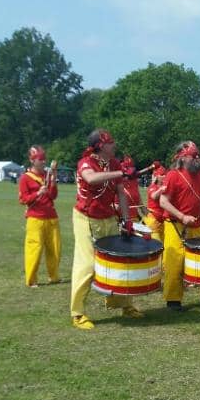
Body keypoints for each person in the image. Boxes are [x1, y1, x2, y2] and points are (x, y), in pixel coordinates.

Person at [70, 129, 142, 329]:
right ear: (100, 146)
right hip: (86, 218)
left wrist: (127, 219)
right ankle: (77, 313)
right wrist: (122, 172)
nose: (114, 145)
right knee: (86, 265)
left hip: (108, 217)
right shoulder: (86, 162)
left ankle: (123, 305)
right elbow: (91, 178)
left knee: (118, 261)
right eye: (111, 142)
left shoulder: (114, 163)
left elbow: (120, 192)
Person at [159, 141, 200, 310]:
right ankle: (173, 300)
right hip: (175, 225)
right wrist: (182, 216)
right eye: (195, 156)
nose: (199, 159)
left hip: (197, 225)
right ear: (183, 157)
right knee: (174, 264)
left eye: (199, 155)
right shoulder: (173, 175)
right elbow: (163, 201)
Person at [17, 145, 60, 287]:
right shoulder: (25, 178)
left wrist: (53, 180)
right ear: (32, 160)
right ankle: (31, 280)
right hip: (35, 218)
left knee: (55, 249)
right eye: (40, 159)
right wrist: (37, 193)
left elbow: (53, 196)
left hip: (51, 216)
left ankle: (54, 277)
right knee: (34, 250)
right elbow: (23, 199)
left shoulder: (47, 176)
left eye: (44, 158)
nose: (43, 161)